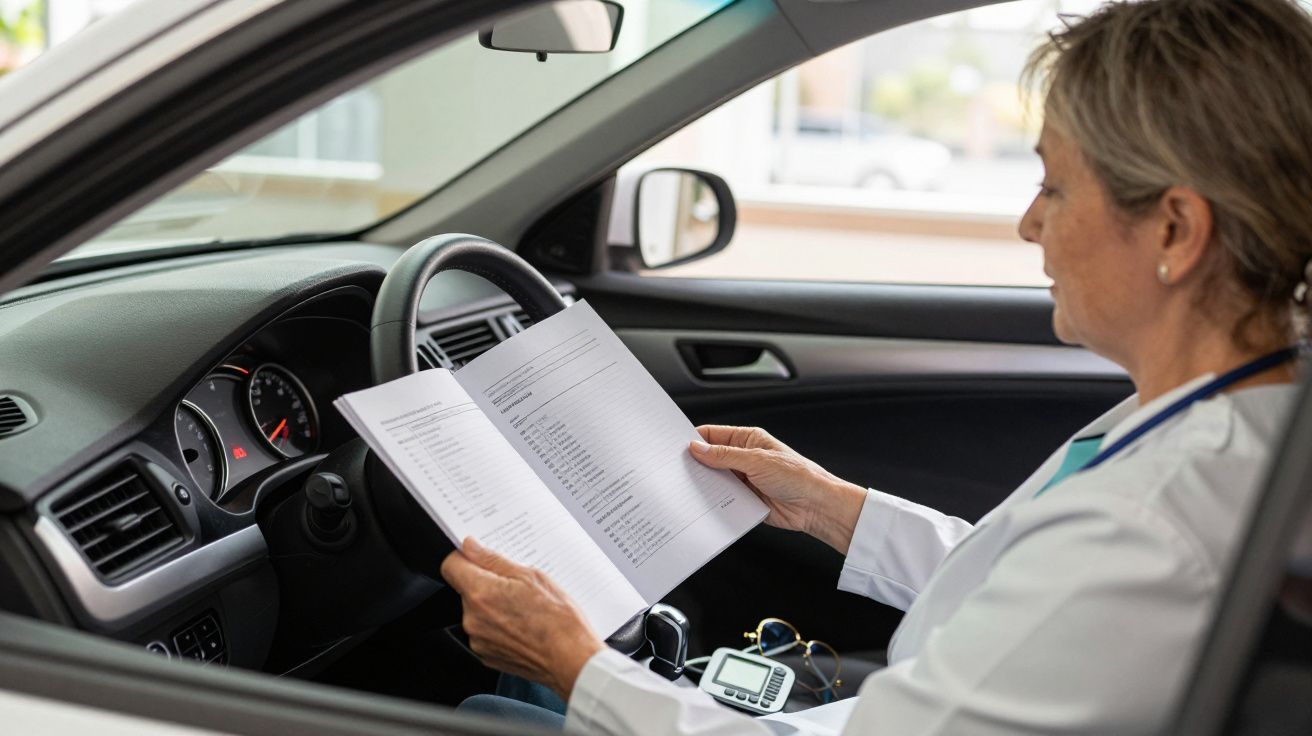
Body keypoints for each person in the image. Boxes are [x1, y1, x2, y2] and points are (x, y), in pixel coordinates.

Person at [439, 0, 1312, 733]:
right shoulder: (1217, 417)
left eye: (1054, 187)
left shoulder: (1153, 521)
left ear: (1174, 231)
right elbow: (1028, 592)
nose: (1029, 224)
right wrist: (832, 507)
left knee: (486, 708)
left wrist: (574, 662)